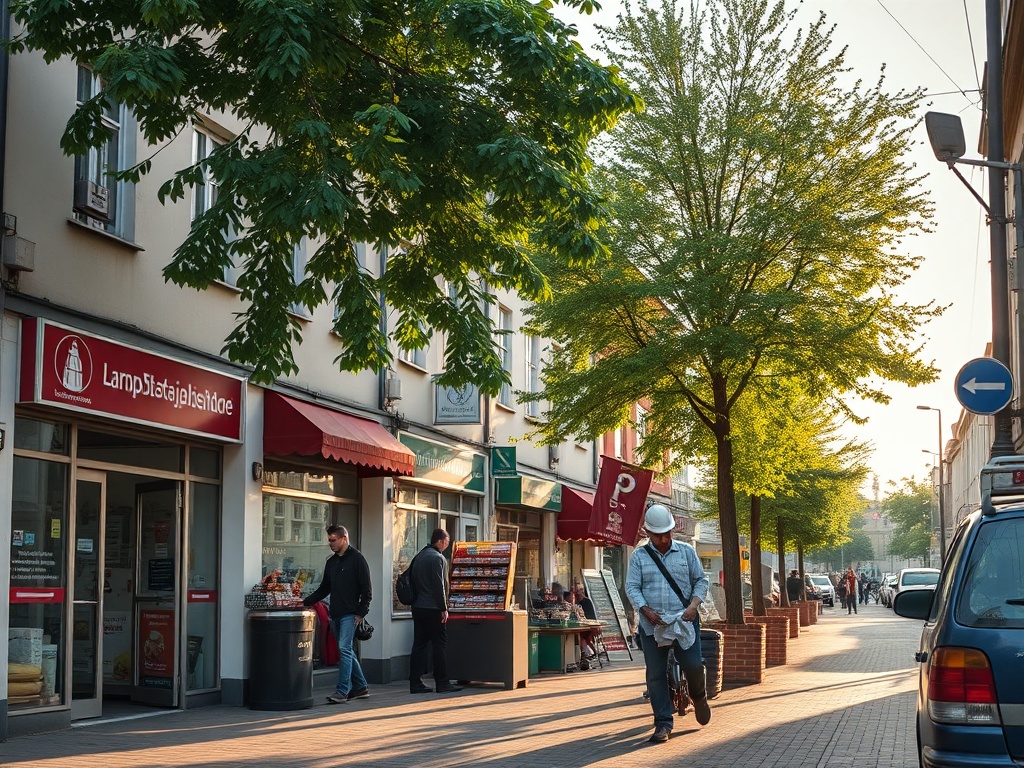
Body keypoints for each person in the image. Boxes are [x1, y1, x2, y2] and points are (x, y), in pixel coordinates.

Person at [626, 504, 712, 744]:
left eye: (667, 533)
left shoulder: (686, 552)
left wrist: (693, 606)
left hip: (685, 620)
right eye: (658, 535)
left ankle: (699, 696)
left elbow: (701, 581)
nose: (664, 539)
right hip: (653, 625)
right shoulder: (639, 556)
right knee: (655, 674)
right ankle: (663, 723)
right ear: (648, 533)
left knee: (693, 665)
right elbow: (632, 587)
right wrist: (644, 609)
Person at [303, 524, 372, 704]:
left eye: (333, 540)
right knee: (347, 650)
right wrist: (305, 601)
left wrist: (361, 612)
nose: (331, 544)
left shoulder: (357, 559)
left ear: (344, 538)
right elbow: (324, 588)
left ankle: (342, 691)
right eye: (329, 540)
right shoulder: (331, 562)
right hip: (335, 614)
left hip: (350, 614)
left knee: (344, 650)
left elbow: (367, 589)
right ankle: (361, 687)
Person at [408, 528, 462, 694]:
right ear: (440, 541)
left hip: (418, 607)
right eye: (446, 542)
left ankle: (415, 683)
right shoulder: (438, 558)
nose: (447, 545)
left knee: (419, 644)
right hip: (433, 608)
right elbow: (440, 586)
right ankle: (442, 682)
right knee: (439, 644)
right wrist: (443, 608)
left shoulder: (419, 557)